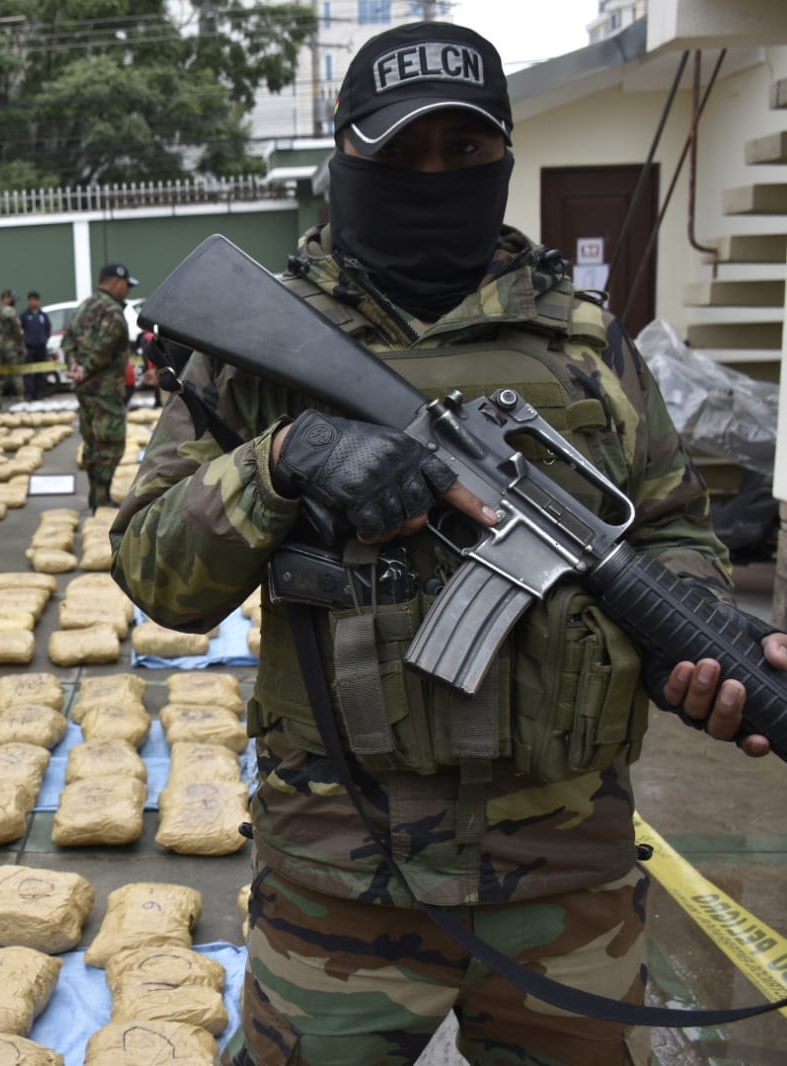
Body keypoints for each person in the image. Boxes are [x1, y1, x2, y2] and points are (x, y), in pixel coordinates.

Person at [110, 21, 787, 1066]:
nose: (434, 173)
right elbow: (155, 569)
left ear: (502, 155)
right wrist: (283, 458)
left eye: (463, 150)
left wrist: (694, 641)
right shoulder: (255, 353)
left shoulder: (588, 342)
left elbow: (673, 527)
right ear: (345, 156)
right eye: (399, 151)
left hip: (568, 877)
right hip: (338, 878)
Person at [68, 263, 136, 510]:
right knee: (111, 443)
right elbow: (106, 345)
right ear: (116, 282)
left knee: (92, 441)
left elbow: (68, 341)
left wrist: (75, 366)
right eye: (126, 286)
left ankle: (95, 493)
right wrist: (88, 367)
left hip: (84, 389)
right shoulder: (112, 311)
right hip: (105, 390)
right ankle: (102, 496)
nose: (126, 291)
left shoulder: (84, 307)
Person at [0, 288, 24, 409]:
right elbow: (17, 330)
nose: (13, 301)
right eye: (12, 299)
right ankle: (20, 398)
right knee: (16, 372)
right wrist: (20, 344)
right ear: (6, 298)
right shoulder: (10, 311)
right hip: (11, 347)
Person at [20, 290, 51, 401]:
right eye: (32, 300)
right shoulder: (24, 316)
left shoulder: (43, 316)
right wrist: (23, 346)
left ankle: (39, 392)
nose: (35, 302)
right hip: (29, 348)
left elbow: (48, 329)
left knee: (40, 372)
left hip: (41, 348)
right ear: (29, 301)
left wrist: (44, 339)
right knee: (29, 372)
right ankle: (29, 393)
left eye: (37, 300)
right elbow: (20, 331)